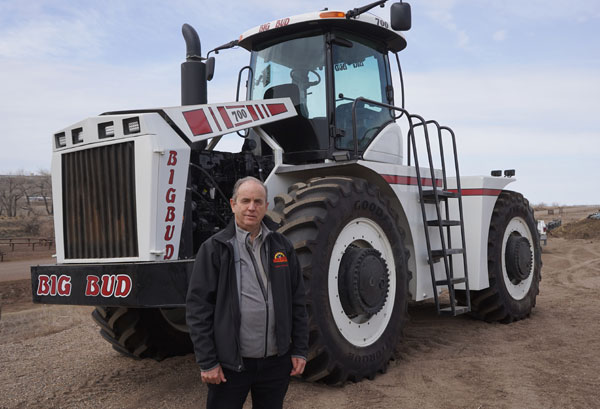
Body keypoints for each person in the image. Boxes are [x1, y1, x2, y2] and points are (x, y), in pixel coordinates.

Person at [186, 176, 309, 409]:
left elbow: (297, 302)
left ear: (266, 206)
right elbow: (198, 309)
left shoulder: (282, 246)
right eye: (245, 201)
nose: (251, 207)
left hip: (275, 364)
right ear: (233, 204)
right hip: (231, 366)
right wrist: (208, 362)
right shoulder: (215, 249)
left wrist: (300, 350)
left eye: (258, 201)